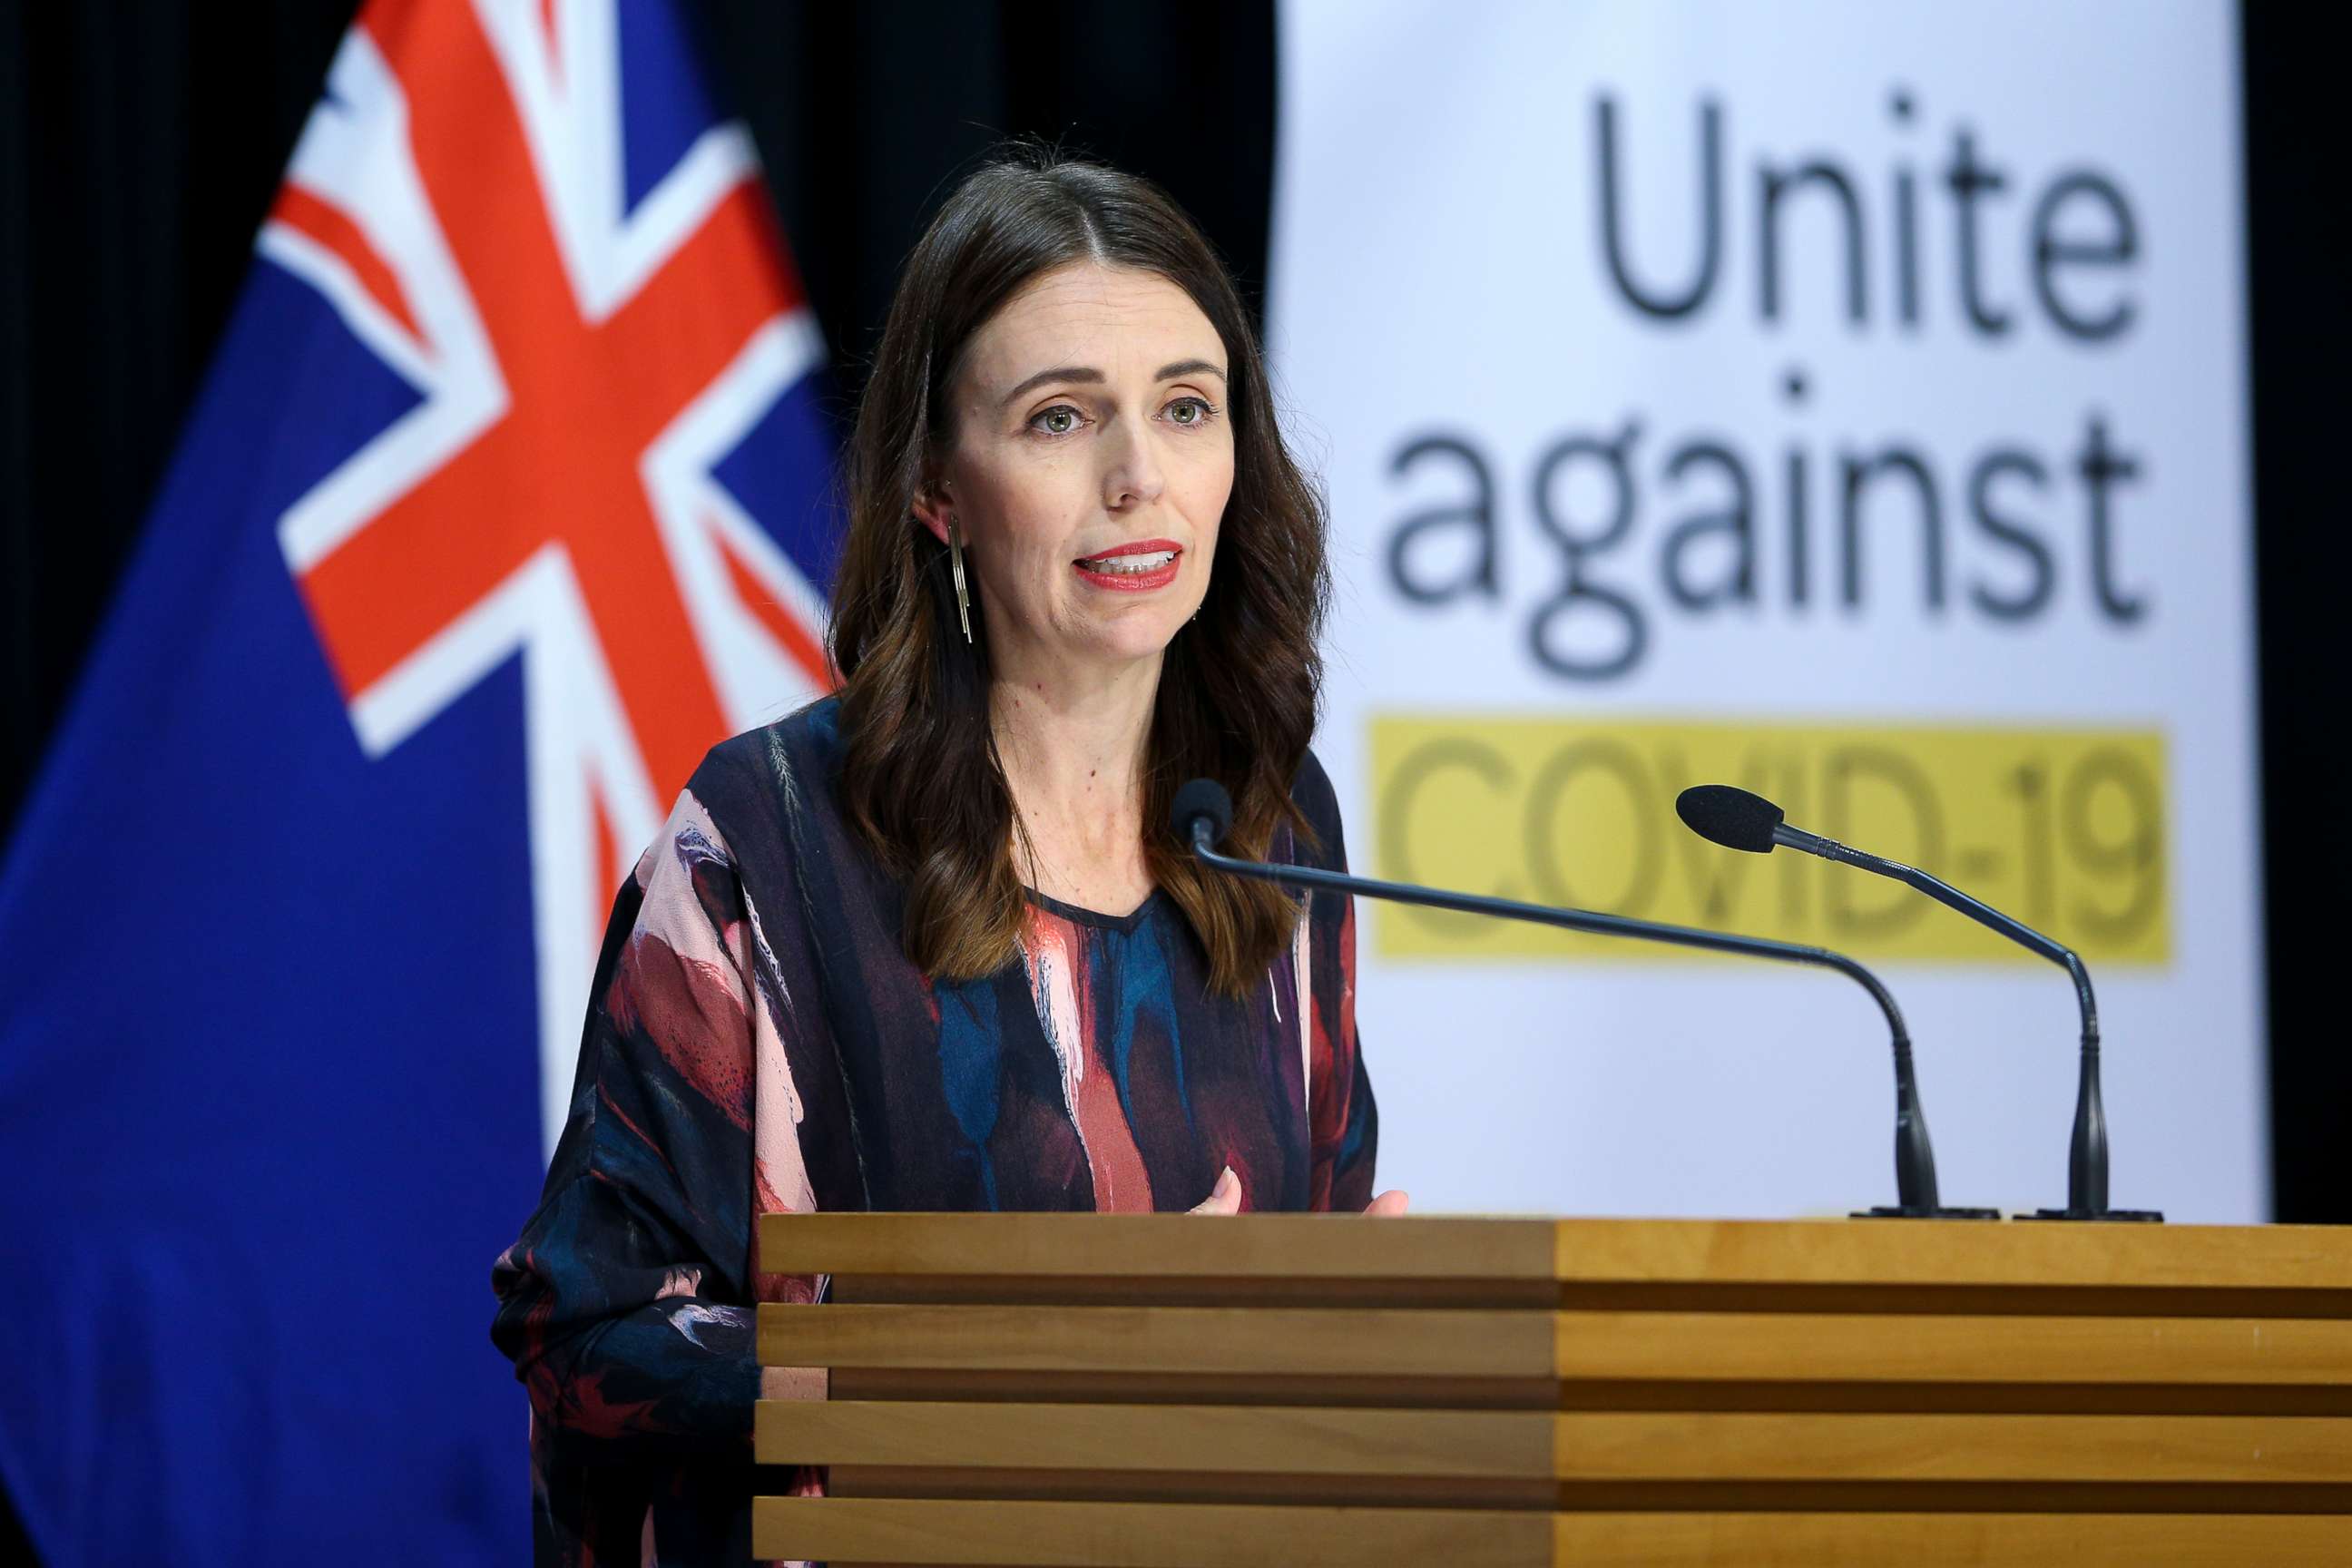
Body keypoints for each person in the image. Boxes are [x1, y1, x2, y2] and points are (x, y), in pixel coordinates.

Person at [489, 145, 1403, 1566]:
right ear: (935, 486)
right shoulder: (772, 843)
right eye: (1058, 420)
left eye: (1186, 407)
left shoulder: (1278, 832)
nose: (1137, 477)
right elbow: (587, 1326)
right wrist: (1030, 1351)